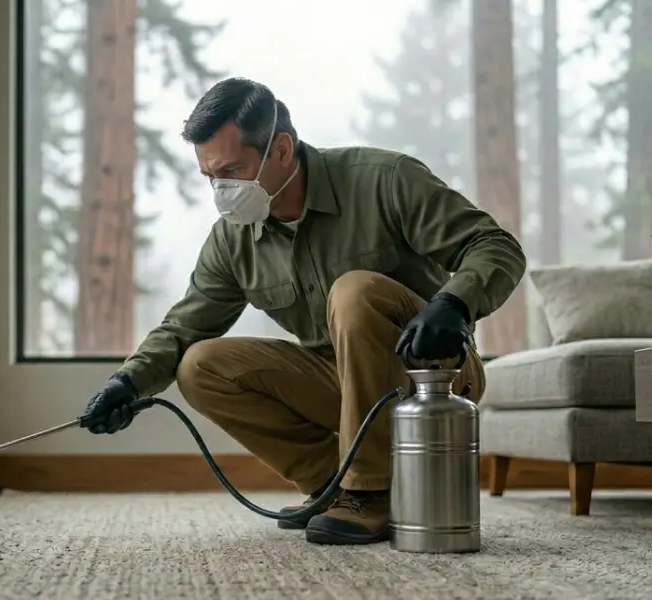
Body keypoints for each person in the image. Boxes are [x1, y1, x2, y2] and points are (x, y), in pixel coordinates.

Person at [80, 77, 527, 545]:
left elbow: (494, 245)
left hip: (432, 378)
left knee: (353, 290)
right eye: (211, 177)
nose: (221, 190)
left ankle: (369, 491)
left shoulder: (383, 179)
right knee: (200, 366)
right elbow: (183, 325)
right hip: (340, 385)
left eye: (231, 170)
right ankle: (333, 487)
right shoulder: (233, 239)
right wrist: (126, 383)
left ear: (281, 149)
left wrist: (453, 302)